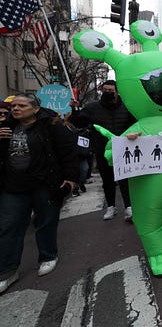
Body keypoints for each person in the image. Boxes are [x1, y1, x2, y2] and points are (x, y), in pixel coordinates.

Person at [0, 93, 79, 294]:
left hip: (44, 184)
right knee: (9, 226)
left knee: (46, 222)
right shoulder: (6, 126)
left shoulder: (51, 125)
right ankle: (8, 271)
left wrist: (71, 178)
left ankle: (48, 256)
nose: (15, 109)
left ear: (35, 109)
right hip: (13, 186)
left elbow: (68, 151)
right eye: (13, 106)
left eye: (21, 106)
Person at [69, 80, 135, 221]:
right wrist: (74, 110)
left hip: (123, 150)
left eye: (111, 90)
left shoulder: (128, 107)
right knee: (107, 181)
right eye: (105, 90)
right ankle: (111, 206)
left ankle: (129, 207)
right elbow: (78, 122)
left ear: (117, 92)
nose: (108, 93)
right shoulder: (92, 107)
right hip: (102, 151)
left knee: (125, 180)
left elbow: (136, 124)